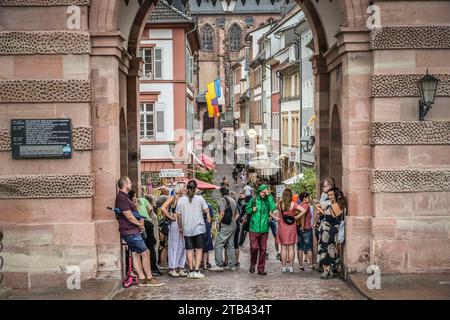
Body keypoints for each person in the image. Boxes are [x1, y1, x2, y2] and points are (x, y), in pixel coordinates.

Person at [114, 177, 164, 287]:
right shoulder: (121, 198)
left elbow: (132, 213)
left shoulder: (124, 197)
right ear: (126, 184)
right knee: (145, 252)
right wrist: (139, 224)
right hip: (130, 230)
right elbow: (129, 216)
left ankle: (142, 278)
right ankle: (149, 278)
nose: (131, 184)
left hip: (131, 230)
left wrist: (139, 221)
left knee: (135, 253)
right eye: (130, 182)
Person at [176, 179, 210, 279]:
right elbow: (206, 210)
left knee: (189, 250)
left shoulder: (181, 200)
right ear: (195, 188)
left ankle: (191, 271)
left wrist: (180, 227)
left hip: (186, 228)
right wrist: (208, 218)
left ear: (187, 188)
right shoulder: (200, 198)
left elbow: (178, 216)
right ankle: (197, 271)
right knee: (199, 250)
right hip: (198, 228)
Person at [244, 185, 278, 275]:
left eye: (265, 192)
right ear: (259, 192)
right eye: (262, 192)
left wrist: (269, 195)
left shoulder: (268, 201)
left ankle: (261, 269)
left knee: (263, 249)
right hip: (253, 228)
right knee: (254, 248)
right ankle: (252, 264)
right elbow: (246, 209)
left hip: (264, 229)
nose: (263, 194)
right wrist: (252, 209)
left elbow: (273, 208)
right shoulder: (254, 200)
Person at [129, 190, 162, 277]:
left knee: (141, 249)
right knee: (150, 247)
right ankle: (153, 269)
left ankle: (141, 270)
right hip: (146, 222)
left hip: (139, 223)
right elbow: (150, 209)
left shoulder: (130, 202)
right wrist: (148, 215)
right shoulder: (143, 200)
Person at [316, 188, 347, 279]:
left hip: (327, 231)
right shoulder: (343, 207)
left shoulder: (329, 205)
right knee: (331, 249)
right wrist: (323, 211)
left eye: (331, 195)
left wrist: (323, 212)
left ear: (336, 196)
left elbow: (317, 206)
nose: (329, 197)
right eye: (329, 195)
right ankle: (328, 270)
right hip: (334, 231)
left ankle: (326, 271)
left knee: (325, 249)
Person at [161, 182, 188, 278]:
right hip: (175, 223)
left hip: (184, 223)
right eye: (184, 187)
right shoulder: (173, 197)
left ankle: (180, 267)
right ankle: (173, 267)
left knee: (183, 245)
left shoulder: (185, 198)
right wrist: (170, 216)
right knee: (174, 245)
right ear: (180, 188)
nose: (186, 188)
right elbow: (163, 207)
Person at [276, 188, 305, 273]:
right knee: (291, 247)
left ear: (283, 195)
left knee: (283, 247)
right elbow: (303, 210)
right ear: (291, 195)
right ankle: (291, 267)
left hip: (282, 226)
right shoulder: (294, 204)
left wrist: (276, 218)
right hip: (291, 226)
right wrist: (296, 217)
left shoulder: (279, 204)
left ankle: (284, 267)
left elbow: (275, 213)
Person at [210, 187, 238, 271]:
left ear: (221, 193)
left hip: (226, 225)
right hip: (233, 224)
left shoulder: (223, 200)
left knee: (218, 244)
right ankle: (232, 265)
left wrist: (218, 222)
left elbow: (221, 213)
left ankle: (219, 265)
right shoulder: (233, 200)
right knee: (230, 245)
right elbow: (237, 214)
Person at [313, 177, 335, 272]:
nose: (323, 188)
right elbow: (318, 208)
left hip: (329, 223)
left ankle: (328, 266)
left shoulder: (332, 196)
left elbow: (320, 209)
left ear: (330, 186)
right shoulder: (324, 194)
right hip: (323, 222)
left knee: (327, 245)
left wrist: (322, 210)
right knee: (322, 245)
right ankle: (323, 264)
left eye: (324, 186)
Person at [297, 192, 314, 271]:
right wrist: (303, 226)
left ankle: (301, 265)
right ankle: (311, 265)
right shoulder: (306, 206)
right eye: (308, 197)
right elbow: (302, 216)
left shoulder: (299, 206)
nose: (309, 198)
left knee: (300, 247)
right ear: (304, 198)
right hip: (306, 228)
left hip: (298, 228)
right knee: (309, 247)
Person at [156, 187, 170, 270]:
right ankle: (163, 263)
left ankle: (163, 262)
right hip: (163, 228)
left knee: (162, 246)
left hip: (161, 228)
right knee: (165, 246)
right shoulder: (163, 209)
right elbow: (164, 218)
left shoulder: (158, 208)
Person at [201, 201, 214, 270]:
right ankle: (205, 264)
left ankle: (197, 264)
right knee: (206, 248)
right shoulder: (208, 205)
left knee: (197, 248)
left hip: (198, 228)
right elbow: (210, 219)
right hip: (206, 227)